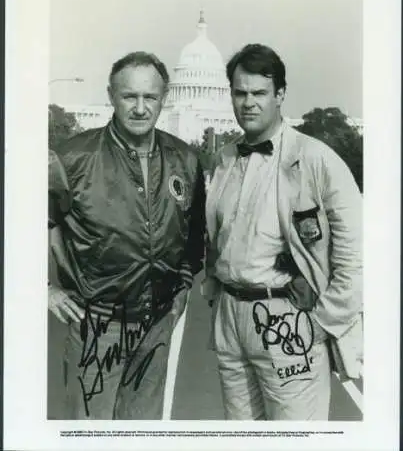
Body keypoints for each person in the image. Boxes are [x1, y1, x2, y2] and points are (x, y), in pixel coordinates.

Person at [202, 43, 362, 420]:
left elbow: (357, 255)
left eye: (259, 93)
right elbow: (217, 237)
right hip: (230, 317)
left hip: (287, 315)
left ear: (280, 95)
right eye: (240, 93)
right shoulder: (224, 158)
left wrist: (321, 324)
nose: (249, 103)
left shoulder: (317, 159)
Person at [48, 51, 206, 420]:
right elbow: (21, 224)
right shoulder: (72, 158)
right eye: (129, 96)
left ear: (163, 98)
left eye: (149, 97)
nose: (139, 108)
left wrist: (182, 284)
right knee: (89, 433)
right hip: (97, 325)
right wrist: (44, 287)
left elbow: (195, 234)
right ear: (111, 96)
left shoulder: (185, 159)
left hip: (157, 326)